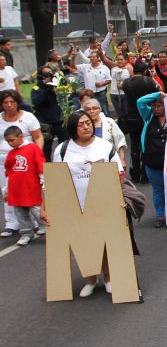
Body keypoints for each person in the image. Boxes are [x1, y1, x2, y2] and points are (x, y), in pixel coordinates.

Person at [48, 110, 128, 297]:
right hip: (75, 205)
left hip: (103, 202)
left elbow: (118, 175)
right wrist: (47, 206)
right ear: (72, 128)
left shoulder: (105, 146)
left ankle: (108, 278)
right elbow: (54, 180)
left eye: (88, 123)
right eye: (81, 124)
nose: (86, 127)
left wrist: (121, 198)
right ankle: (90, 280)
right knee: (82, 243)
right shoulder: (62, 150)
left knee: (105, 242)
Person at [0, 90, 43, 237]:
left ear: (17, 102)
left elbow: (38, 137)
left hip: (26, 162)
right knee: (8, 192)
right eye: (5, 102)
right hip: (4, 162)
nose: (9, 105)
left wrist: (36, 156)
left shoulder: (28, 117)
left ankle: (36, 223)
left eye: (12, 102)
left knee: (30, 194)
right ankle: (11, 223)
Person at [2, 126, 45, 246]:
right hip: (16, 189)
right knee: (20, 213)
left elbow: (40, 164)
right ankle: (26, 233)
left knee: (38, 211)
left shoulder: (33, 148)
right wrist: (6, 190)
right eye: (8, 141)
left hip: (31, 188)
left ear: (21, 136)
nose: (10, 143)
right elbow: (8, 172)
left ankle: (48, 229)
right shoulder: (11, 153)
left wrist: (43, 180)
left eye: (12, 140)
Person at [121, 62, 160, 183]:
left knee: (134, 144)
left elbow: (121, 88)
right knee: (145, 144)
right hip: (145, 115)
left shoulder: (126, 82)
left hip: (131, 116)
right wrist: (152, 78)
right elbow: (158, 92)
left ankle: (135, 173)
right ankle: (145, 174)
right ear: (145, 71)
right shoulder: (148, 81)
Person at [135, 91, 167, 228]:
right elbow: (140, 102)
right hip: (152, 162)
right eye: (154, 106)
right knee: (158, 189)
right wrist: (157, 94)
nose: (156, 108)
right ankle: (160, 215)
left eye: (159, 105)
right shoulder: (148, 115)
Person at [31, 65, 67, 161]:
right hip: (46, 124)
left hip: (59, 121)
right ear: (40, 76)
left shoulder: (57, 86)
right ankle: (46, 168)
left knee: (64, 148)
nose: (49, 76)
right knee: (46, 151)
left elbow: (66, 97)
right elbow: (36, 102)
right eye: (46, 74)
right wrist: (44, 86)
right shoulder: (37, 88)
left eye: (50, 74)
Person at [81, 98, 127, 170]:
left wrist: (122, 159)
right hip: (88, 165)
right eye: (88, 109)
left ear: (100, 109)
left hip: (109, 161)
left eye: (94, 108)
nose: (91, 111)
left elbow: (120, 141)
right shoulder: (82, 126)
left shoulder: (109, 122)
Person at [75, 51, 112, 116]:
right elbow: (74, 66)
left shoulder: (104, 68)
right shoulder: (85, 67)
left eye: (93, 57)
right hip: (89, 94)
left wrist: (102, 83)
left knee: (104, 110)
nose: (91, 58)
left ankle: (107, 120)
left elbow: (109, 80)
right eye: (90, 57)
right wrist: (73, 57)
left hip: (101, 93)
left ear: (98, 58)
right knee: (90, 110)